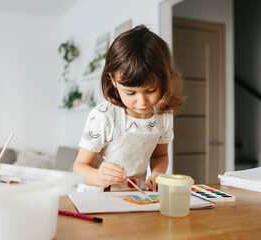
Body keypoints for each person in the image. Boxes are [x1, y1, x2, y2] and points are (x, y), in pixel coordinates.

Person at [73, 25, 185, 192]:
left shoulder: (163, 116)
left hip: (133, 197)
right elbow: (80, 166)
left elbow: (160, 155)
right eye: (131, 92)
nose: (142, 102)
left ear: (164, 79)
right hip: (95, 198)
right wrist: (98, 176)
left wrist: (157, 173)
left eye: (151, 90)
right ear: (113, 81)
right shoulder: (103, 116)